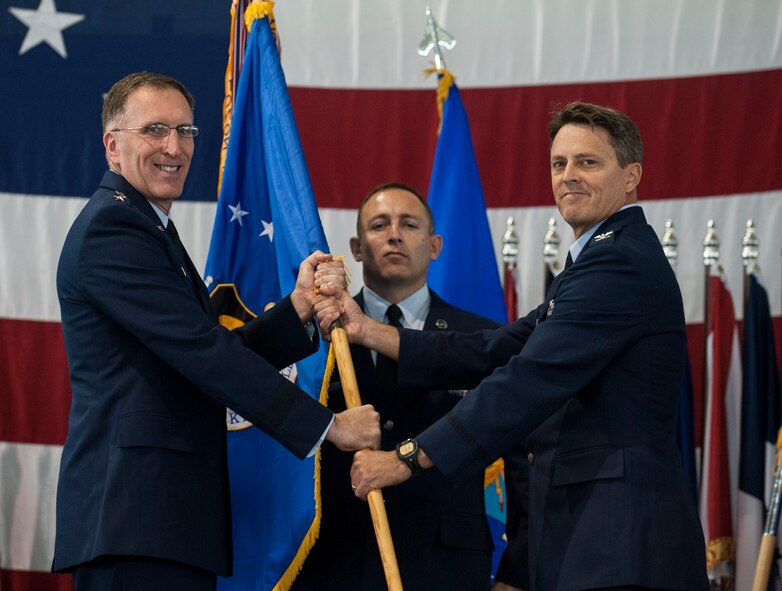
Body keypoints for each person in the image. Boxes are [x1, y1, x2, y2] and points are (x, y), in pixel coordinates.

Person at [319, 102, 710, 591]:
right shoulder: (600, 259)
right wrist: (368, 331)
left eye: (588, 162)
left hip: (617, 548)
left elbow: (525, 380)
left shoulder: (619, 262)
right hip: (597, 546)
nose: (569, 176)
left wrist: (404, 459)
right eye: (559, 163)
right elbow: (500, 349)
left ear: (631, 175)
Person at [53, 72, 380, 590]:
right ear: (113, 146)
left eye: (186, 131)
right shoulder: (112, 230)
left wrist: (296, 307)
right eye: (155, 130)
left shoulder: (147, 225)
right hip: (136, 519)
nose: (174, 147)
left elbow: (209, 348)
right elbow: (204, 354)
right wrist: (328, 427)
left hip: (163, 522)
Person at [293, 183, 502, 590]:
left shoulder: (482, 338)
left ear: (435, 244)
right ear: (355, 247)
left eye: (409, 224)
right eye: (378, 225)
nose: (394, 235)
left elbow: (520, 456)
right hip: (334, 559)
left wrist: (519, 571)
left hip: (444, 564)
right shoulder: (312, 336)